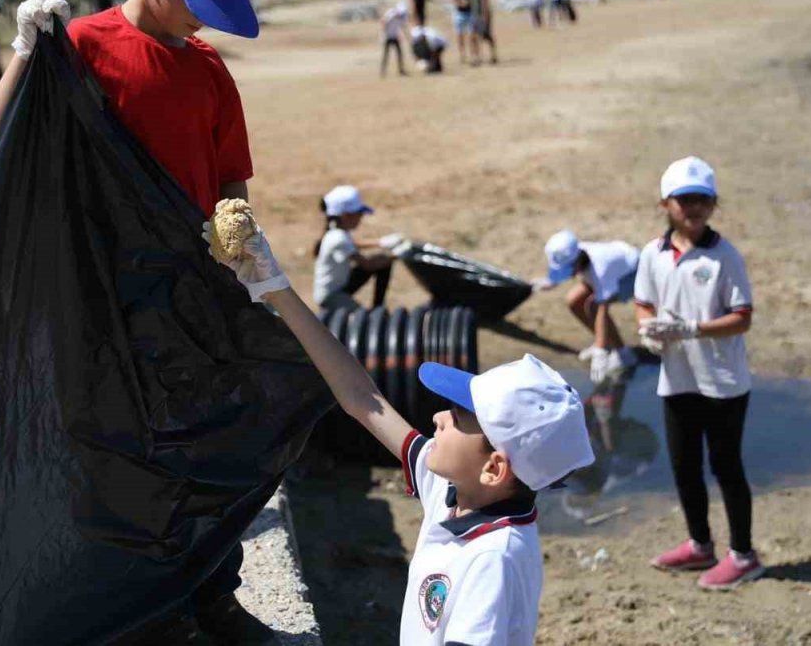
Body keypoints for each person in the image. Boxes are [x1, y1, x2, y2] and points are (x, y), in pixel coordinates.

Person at [0, 0, 269, 641]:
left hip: (190, 300)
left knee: (201, 448)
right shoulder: (81, 49)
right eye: (197, 0)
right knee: (111, 458)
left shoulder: (208, 73)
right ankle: (134, 612)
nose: (205, 20)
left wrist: (234, 216)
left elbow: (230, 172)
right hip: (97, 302)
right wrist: (24, 54)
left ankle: (210, 597)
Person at [203, 221, 595, 645]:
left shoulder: (495, 559)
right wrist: (275, 288)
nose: (439, 418)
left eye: (459, 418)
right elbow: (361, 398)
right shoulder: (451, 492)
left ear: (494, 468)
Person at [634, 156, 763, 590]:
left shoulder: (725, 257)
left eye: (702, 200)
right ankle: (700, 544)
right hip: (677, 378)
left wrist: (692, 329)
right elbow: (643, 301)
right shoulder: (653, 254)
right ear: (665, 204)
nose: (693, 208)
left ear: (713, 204)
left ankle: (743, 555)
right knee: (684, 465)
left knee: (726, 466)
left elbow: (742, 318)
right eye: (684, 199)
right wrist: (648, 329)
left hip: (722, 381)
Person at [536, 230, 640, 385]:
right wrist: (550, 282)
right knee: (574, 301)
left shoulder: (601, 267)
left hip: (631, 274)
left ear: (577, 260)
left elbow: (602, 309)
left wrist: (599, 351)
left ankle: (624, 354)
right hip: (605, 274)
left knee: (592, 306)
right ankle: (607, 343)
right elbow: (564, 270)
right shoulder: (577, 254)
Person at [313, 185, 403, 311]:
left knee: (382, 261)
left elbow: (353, 243)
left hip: (342, 284)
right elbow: (368, 264)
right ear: (345, 216)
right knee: (364, 319)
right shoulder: (338, 238)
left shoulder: (337, 231)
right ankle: (375, 315)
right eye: (359, 214)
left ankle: (378, 307)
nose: (361, 218)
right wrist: (398, 254)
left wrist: (381, 243)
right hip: (331, 296)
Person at [468, 0, 497, 66]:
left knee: (486, 36)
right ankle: (476, 57)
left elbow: (484, 2)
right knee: (472, 37)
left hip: (482, 16)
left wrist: (485, 16)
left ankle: (493, 55)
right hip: (474, 15)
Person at [379, 2, 409, 78]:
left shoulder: (403, 16)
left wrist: (405, 36)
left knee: (400, 54)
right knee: (386, 55)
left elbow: (403, 26)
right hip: (387, 37)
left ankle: (401, 70)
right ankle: (383, 71)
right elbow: (383, 22)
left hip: (395, 36)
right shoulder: (390, 14)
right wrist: (383, 34)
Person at [452, 0, 475, 66]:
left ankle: (472, 54)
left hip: (471, 14)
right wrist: (461, 3)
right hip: (460, 14)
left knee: (472, 36)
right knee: (459, 35)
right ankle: (462, 54)